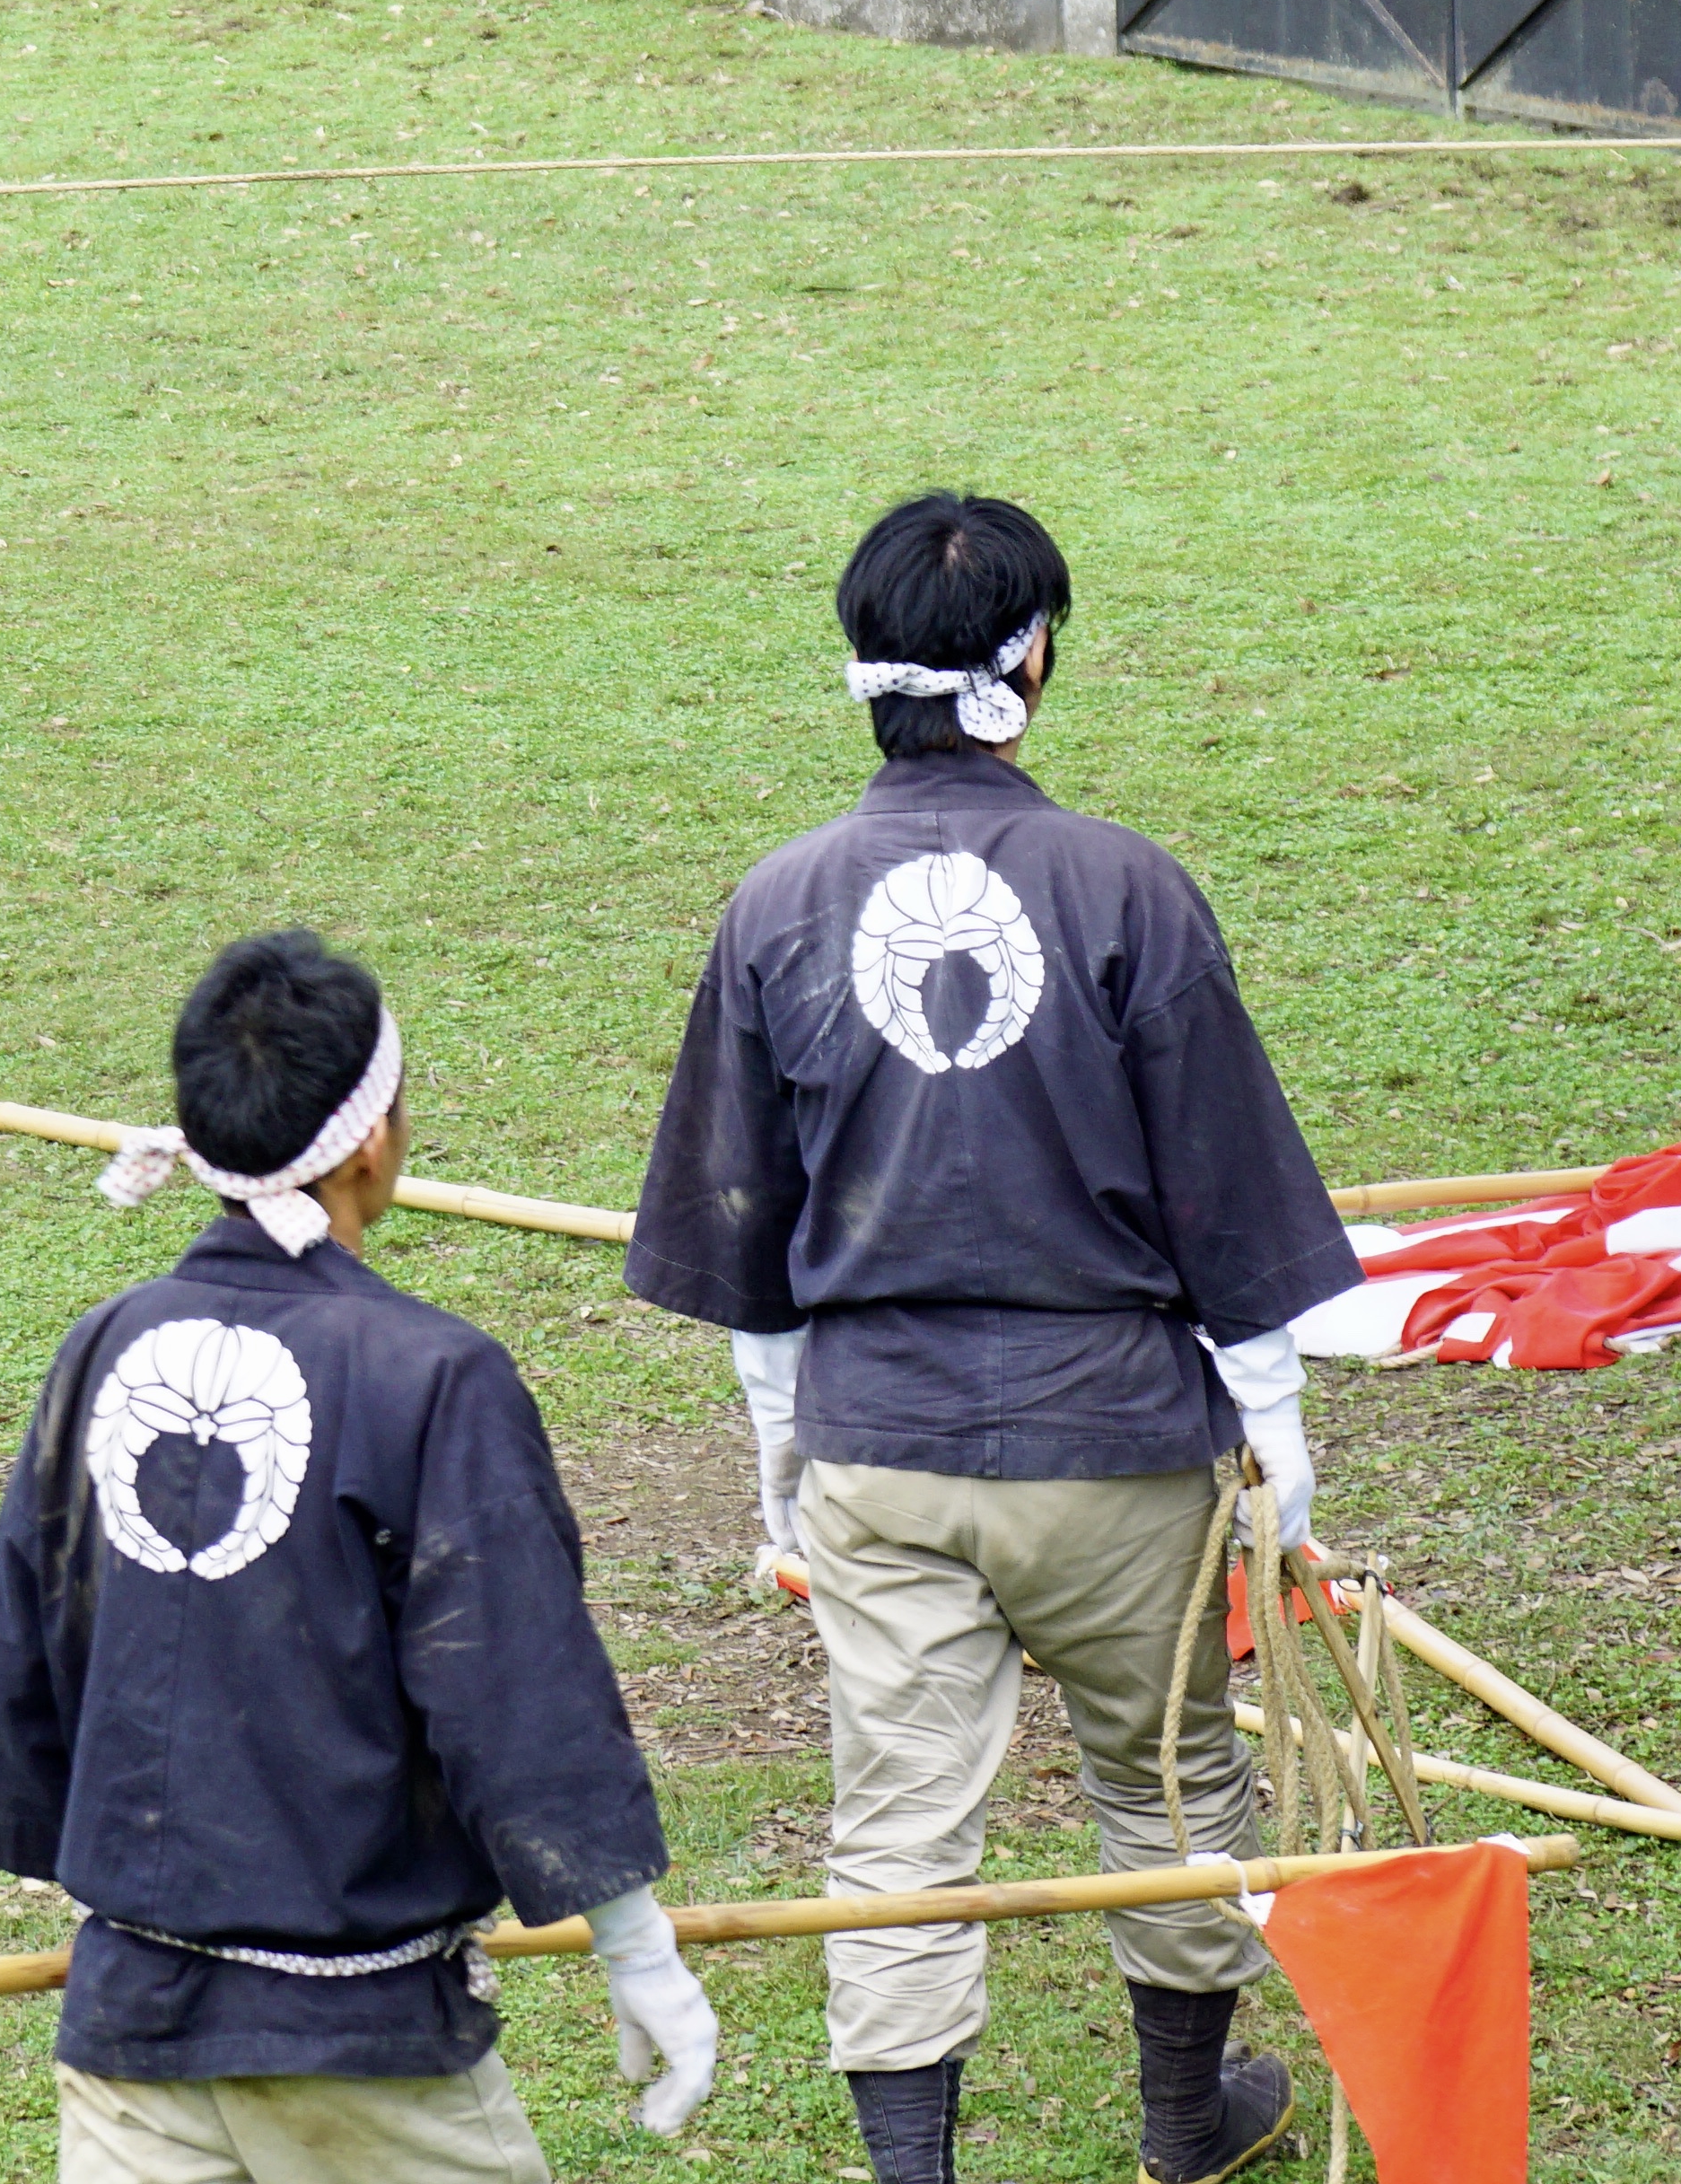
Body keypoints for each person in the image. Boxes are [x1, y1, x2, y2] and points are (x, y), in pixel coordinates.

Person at [623, 492, 1364, 2184]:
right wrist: (1280, 1440)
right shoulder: (1129, 891)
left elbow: (753, 1262)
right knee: (1171, 1779)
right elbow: (1229, 1209)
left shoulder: (778, 905)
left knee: (896, 1825)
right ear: (1031, 658)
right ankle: (1188, 2124)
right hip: (1116, 1450)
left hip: (879, 1452)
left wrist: (783, 1469)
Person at [0, 931, 720, 2184]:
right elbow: (516, 1685)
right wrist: (637, 1948)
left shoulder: (102, 1345)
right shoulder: (434, 1377)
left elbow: (27, 1637)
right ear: (374, 1139)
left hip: (131, 2024)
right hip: (361, 2052)